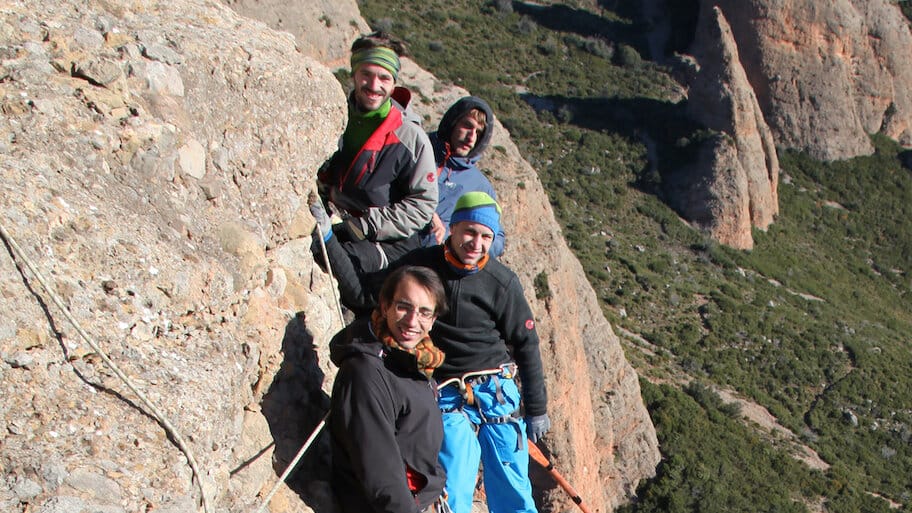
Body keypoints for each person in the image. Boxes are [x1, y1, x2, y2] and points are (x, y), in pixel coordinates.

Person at [327, 191, 550, 513]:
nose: (476, 243)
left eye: (486, 236)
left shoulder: (501, 282)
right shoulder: (419, 268)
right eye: (470, 231)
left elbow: (526, 344)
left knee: (513, 487)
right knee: (454, 484)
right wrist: (326, 241)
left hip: (493, 389)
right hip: (445, 389)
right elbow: (364, 293)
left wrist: (537, 407)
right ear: (453, 228)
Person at [312, 31, 438, 271]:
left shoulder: (410, 138)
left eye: (384, 78)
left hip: (384, 240)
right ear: (354, 74)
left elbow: (423, 202)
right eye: (366, 74)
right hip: (335, 221)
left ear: (394, 83)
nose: (374, 85)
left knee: (342, 267)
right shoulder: (333, 117)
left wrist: (366, 225)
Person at [329, 265, 449, 513]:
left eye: (424, 312)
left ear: (434, 319)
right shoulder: (366, 373)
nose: (413, 321)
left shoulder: (412, 361)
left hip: (418, 499)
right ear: (385, 306)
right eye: (403, 306)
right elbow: (382, 473)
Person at [421, 96, 505, 257]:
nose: (471, 138)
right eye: (467, 126)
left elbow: (498, 239)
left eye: (479, 133)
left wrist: (455, 238)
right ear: (452, 123)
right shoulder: (419, 151)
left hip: (437, 263)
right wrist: (426, 213)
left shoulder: (479, 186)